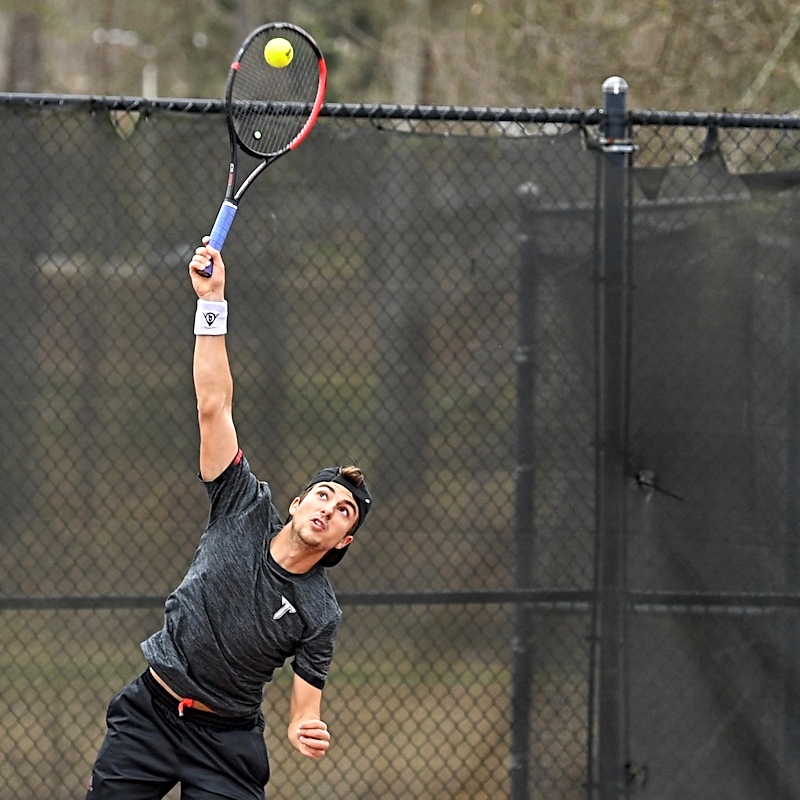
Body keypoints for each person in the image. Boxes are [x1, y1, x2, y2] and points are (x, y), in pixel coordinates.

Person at [85, 239, 372, 799]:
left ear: (344, 540)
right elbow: (213, 404)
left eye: (344, 511)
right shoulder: (241, 502)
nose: (328, 508)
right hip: (152, 711)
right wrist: (211, 300)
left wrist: (300, 728)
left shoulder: (320, 612)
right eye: (322, 494)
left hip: (226, 741)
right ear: (296, 502)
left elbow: (303, 707)